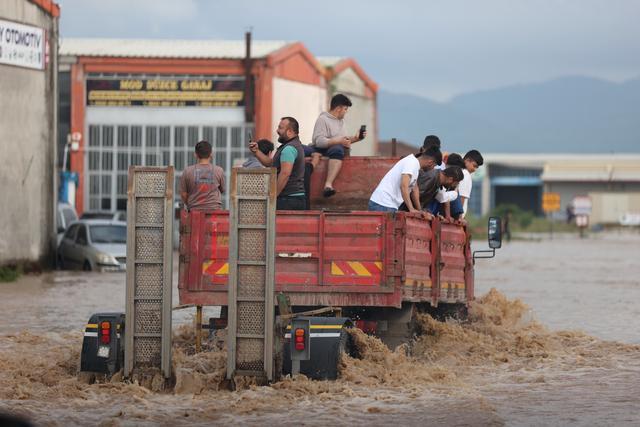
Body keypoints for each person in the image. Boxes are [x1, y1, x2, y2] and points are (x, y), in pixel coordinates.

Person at [305, 94, 366, 197]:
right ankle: (328, 184)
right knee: (337, 149)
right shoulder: (323, 119)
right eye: (345, 109)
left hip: (333, 150)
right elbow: (319, 141)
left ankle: (328, 185)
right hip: (320, 149)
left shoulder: (341, 122)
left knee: (338, 149)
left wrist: (356, 138)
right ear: (338, 109)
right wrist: (339, 141)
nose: (346, 112)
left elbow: (342, 140)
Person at [250, 117, 306, 210]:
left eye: (280, 128)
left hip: (289, 200)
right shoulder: (290, 146)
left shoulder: (288, 149)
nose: (277, 130)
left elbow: (284, 174)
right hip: (292, 199)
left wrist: (273, 196)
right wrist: (256, 151)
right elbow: (271, 164)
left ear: (290, 132)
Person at [368, 148, 438, 214]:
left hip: (387, 204)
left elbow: (414, 188)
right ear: (430, 162)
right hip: (383, 204)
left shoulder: (415, 166)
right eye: (434, 166)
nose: (432, 169)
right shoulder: (411, 163)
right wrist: (411, 209)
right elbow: (404, 186)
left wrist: (419, 210)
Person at [179, 140, 225, 211]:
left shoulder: (187, 171)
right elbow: (222, 190)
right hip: (215, 212)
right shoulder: (219, 170)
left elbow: (183, 194)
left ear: (195, 154)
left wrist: (192, 204)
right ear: (211, 154)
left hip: (194, 212)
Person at [458, 150, 484, 218]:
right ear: (467, 160)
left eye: (477, 167)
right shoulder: (466, 174)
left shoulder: (458, 171)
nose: (475, 169)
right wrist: (459, 218)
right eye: (474, 166)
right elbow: (461, 197)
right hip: (457, 218)